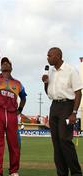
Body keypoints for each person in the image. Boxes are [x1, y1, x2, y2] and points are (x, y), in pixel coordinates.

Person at [42, 47, 83, 176]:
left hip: (67, 106)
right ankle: (62, 173)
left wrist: (74, 112)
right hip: (54, 106)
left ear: (58, 56)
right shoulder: (51, 72)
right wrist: (45, 83)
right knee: (56, 142)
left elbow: (78, 92)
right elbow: (49, 93)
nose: (47, 57)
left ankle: (76, 172)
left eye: (50, 55)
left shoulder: (71, 70)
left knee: (65, 140)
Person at [0, 54, 27, 176]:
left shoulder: (18, 83)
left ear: (11, 67)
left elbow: (23, 97)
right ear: (0, 67)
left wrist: (20, 109)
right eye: (3, 63)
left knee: (14, 144)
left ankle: (14, 171)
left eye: (7, 62)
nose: (5, 64)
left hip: (12, 114)